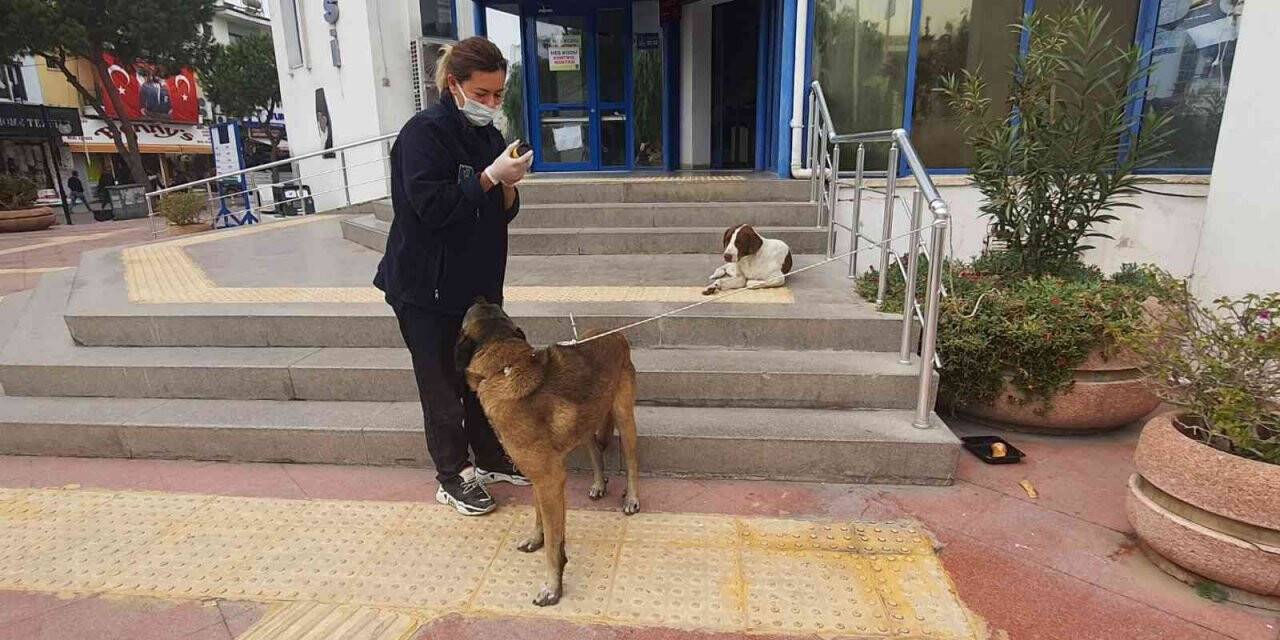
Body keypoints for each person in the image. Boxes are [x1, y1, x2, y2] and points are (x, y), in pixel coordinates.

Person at [374, 37, 534, 516]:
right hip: (426, 288)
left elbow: (499, 212)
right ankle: (453, 475)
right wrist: (488, 177)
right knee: (442, 383)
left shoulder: (486, 134)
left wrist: (507, 184)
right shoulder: (424, 134)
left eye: (498, 95)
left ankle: (488, 457)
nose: (490, 104)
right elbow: (431, 207)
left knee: (482, 377)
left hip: (477, 290)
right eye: (482, 94)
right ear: (454, 85)